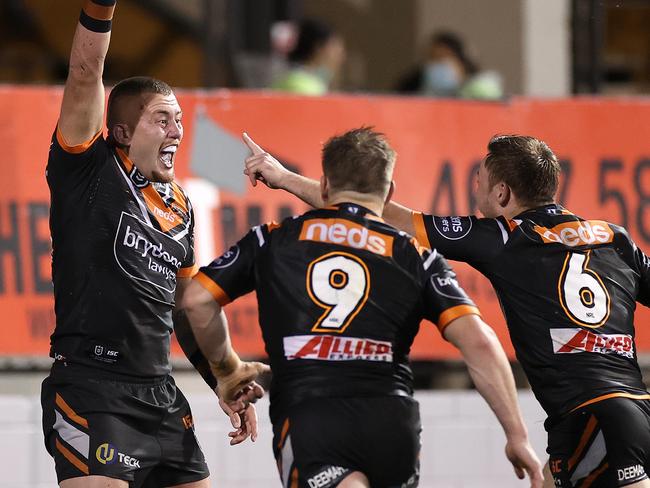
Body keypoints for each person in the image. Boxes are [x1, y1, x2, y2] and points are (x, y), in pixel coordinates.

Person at [245, 133, 650, 487]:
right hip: (634, 408)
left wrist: (282, 178)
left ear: (503, 194)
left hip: (591, 415)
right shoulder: (615, 237)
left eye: (480, 184)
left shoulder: (504, 236)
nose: (476, 194)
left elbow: (375, 213)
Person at [177, 127, 543, 487]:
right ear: (390, 193)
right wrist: (517, 435)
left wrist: (228, 370)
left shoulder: (271, 239)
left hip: (312, 417)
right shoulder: (416, 256)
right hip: (391, 425)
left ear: (323, 186)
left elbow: (196, 299)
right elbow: (480, 343)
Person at [40, 2, 268, 487]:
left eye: (180, 120)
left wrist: (222, 378)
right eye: (162, 120)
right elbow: (84, 73)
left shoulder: (179, 204)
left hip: (161, 396)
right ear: (122, 131)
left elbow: (186, 309)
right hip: (91, 390)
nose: (177, 132)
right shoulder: (88, 169)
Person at [395, 31, 503, 100]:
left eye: (443, 58)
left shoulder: (482, 89)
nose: (437, 65)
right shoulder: (422, 94)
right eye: (432, 59)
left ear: (462, 61)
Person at [271, 18, 346, 96]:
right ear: (319, 48)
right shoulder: (304, 86)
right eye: (336, 47)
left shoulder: (292, 78)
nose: (341, 55)